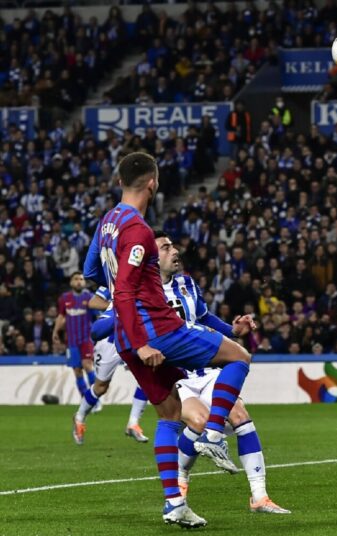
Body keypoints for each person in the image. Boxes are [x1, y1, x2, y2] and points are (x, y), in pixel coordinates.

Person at [84, 151, 254, 528]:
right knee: (239, 357)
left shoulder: (107, 222)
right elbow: (126, 290)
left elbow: (90, 270)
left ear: (119, 182)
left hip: (126, 338)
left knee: (170, 413)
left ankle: (174, 504)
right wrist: (145, 340)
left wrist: (130, 331)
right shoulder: (139, 229)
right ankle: (211, 433)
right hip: (156, 329)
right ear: (153, 183)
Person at [154, 231, 289, 514]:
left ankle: (260, 496)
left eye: (172, 244)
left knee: (240, 416)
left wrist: (232, 330)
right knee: (201, 422)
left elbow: (203, 317)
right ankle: (181, 475)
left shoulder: (186, 282)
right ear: (152, 258)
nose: (174, 250)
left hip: (207, 367)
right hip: (178, 376)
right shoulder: (144, 292)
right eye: (166, 247)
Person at [71, 286, 149, 446]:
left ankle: (133, 423)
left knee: (147, 378)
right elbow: (93, 302)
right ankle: (79, 417)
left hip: (135, 337)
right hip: (110, 340)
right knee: (101, 387)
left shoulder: (149, 280)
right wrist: (117, 305)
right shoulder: (115, 279)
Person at [53, 273, 96, 397]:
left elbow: (98, 316)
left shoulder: (90, 297)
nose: (79, 282)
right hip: (71, 340)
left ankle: (95, 398)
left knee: (87, 365)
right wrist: (55, 331)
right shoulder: (65, 298)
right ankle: (85, 399)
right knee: (77, 371)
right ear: (71, 282)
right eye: (76, 279)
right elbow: (61, 316)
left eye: (81, 279)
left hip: (86, 338)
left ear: (84, 282)